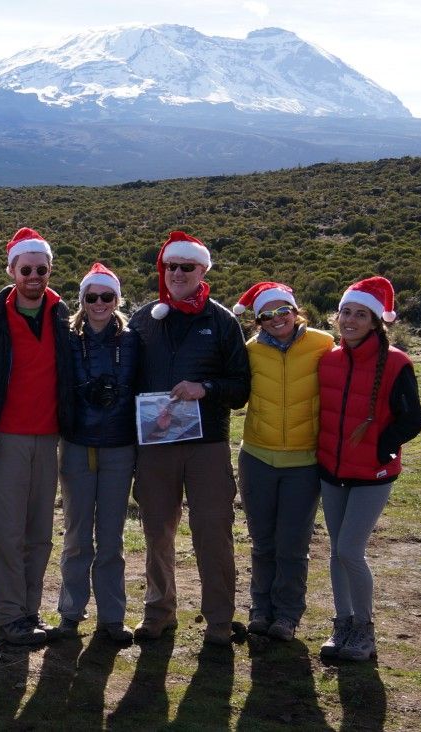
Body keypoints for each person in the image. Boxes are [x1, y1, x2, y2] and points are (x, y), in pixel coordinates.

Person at [128, 231, 250, 646]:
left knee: (213, 531)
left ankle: (219, 620)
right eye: (171, 267)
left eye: (187, 267)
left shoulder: (221, 322)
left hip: (207, 445)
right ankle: (159, 613)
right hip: (155, 446)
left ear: (203, 271)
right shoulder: (144, 319)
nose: (177, 274)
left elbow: (240, 387)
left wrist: (207, 389)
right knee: (157, 532)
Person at [316, 277, 421, 661]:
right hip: (332, 470)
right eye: (346, 312)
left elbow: (414, 420)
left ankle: (364, 630)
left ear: (376, 321)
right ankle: (342, 623)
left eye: (361, 314)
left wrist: (381, 448)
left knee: (349, 549)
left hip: (373, 474)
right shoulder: (328, 359)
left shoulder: (396, 362)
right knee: (336, 552)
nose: (351, 320)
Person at [0, 227, 73, 645]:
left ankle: (30, 613)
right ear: (12, 270)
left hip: (49, 435)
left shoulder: (62, 314)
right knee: (7, 532)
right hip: (6, 438)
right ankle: (9, 617)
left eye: (41, 269)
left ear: (49, 270)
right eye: (26, 269)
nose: (34, 276)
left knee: (39, 532)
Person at [232, 282, 333, 642]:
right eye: (267, 314)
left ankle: (288, 614)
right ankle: (260, 610)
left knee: (293, 544)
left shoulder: (324, 344)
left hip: (304, 462)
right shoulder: (250, 351)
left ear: (296, 310)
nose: (277, 319)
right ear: (258, 320)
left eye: (283, 311)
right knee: (263, 542)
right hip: (257, 456)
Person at [55, 263, 138, 644]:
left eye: (107, 296)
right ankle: (71, 612)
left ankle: (112, 616)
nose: (100, 303)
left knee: (111, 537)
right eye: (92, 297)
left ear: (117, 299)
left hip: (119, 447)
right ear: (82, 301)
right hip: (76, 445)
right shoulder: (67, 339)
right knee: (75, 535)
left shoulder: (134, 341)